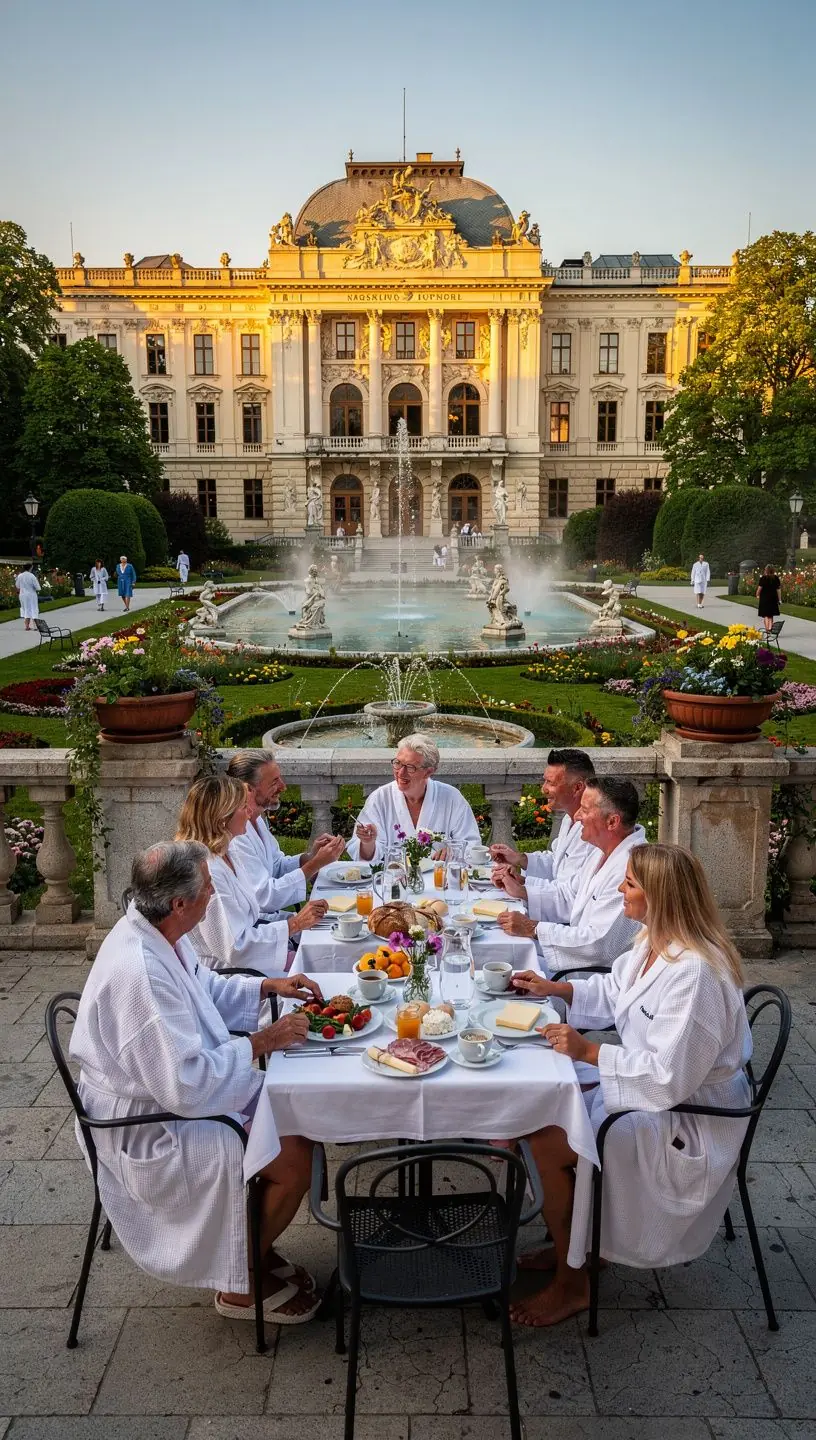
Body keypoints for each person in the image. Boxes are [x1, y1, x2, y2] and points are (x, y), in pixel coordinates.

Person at [70, 840, 324, 1324]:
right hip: (148, 1126)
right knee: (293, 1151)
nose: (215, 895)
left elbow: (204, 986)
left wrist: (267, 986)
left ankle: (255, 1248)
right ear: (180, 903)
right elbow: (184, 1085)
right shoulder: (141, 971)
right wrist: (259, 1042)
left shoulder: (156, 929)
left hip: (170, 1090)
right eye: (208, 889)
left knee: (291, 1113)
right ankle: (241, 1281)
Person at [508, 843, 751, 1327]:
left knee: (546, 1134)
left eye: (631, 884)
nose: (620, 889)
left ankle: (573, 1281)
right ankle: (575, 1241)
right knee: (536, 1101)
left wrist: (589, 1051)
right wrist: (554, 988)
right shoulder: (652, 941)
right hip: (652, 1093)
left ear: (661, 896)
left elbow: (668, 1078)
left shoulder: (695, 975)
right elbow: (614, 990)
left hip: (689, 1122)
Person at [176, 775, 328, 976]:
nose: (249, 811)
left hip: (257, 955)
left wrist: (295, 919)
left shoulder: (227, 853)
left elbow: (253, 916)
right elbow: (235, 948)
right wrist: (295, 924)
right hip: (233, 975)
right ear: (223, 819)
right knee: (325, 969)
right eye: (242, 807)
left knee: (329, 950)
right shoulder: (209, 873)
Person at [497, 777, 644, 975]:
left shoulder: (630, 870)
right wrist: (524, 886)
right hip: (574, 960)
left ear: (612, 821)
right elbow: (570, 894)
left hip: (595, 977)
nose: (577, 816)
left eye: (585, 809)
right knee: (500, 954)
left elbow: (598, 944)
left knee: (504, 966)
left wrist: (533, 928)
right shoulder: (602, 851)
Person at [227, 750, 346, 913]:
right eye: (274, 782)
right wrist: (315, 864)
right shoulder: (236, 836)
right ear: (249, 788)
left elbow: (275, 867)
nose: (283, 787)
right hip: (255, 929)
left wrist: (310, 857)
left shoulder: (258, 820)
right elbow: (264, 898)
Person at [490, 749, 596, 922]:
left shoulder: (593, 834)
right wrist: (520, 859)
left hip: (568, 927)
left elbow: (572, 897)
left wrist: (524, 890)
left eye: (550, 783)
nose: (543, 789)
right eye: (544, 781)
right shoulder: (568, 819)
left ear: (578, 787)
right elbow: (558, 863)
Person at [348, 732, 480, 864]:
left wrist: (453, 851)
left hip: (440, 880)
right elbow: (364, 857)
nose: (400, 772)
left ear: (428, 771)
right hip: (393, 880)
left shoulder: (451, 798)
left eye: (410, 767)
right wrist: (368, 843)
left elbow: (472, 845)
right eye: (398, 763)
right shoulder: (380, 798)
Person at [756, 564, 781, 634]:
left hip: (764, 599)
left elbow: (759, 589)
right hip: (773, 599)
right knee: (771, 615)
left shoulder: (763, 578)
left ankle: (767, 629)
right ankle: (770, 628)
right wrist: (780, 599)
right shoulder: (776, 578)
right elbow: (778, 590)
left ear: (766, 570)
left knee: (766, 615)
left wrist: (757, 594)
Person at [15, 565, 40, 630]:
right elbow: (38, 587)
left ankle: (27, 626)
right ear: (30, 568)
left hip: (23, 595)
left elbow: (17, 586)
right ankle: (36, 626)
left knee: (26, 609)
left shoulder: (20, 576)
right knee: (33, 609)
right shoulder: (32, 576)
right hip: (31, 594)